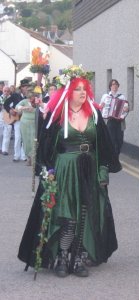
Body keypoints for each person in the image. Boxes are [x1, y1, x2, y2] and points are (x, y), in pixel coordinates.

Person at [18, 65, 122, 278]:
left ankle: (78, 257)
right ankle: (63, 256)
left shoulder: (94, 114)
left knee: (86, 213)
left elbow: (103, 146)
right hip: (65, 171)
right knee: (68, 216)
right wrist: (48, 172)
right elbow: (47, 148)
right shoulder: (57, 116)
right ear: (68, 91)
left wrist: (103, 172)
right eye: (77, 89)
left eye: (85, 89)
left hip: (89, 169)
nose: (82, 93)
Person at [99, 79, 128, 158]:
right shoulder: (106, 96)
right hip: (109, 121)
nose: (114, 86)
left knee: (120, 141)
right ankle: (114, 158)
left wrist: (126, 110)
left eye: (116, 84)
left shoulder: (121, 97)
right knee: (112, 140)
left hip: (119, 121)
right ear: (110, 86)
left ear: (118, 86)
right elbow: (100, 108)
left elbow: (125, 109)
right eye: (112, 84)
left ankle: (116, 155)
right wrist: (102, 106)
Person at [3, 78, 29, 162]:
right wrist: (10, 110)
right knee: (18, 137)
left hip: (26, 119)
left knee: (25, 138)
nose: (26, 88)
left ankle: (23, 155)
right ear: (21, 88)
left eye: (27, 86)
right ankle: (16, 155)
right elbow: (6, 103)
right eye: (24, 86)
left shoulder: (29, 96)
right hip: (17, 119)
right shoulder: (15, 95)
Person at [15, 88, 41, 166]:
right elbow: (17, 107)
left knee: (33, 140)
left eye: (31, 97)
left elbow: (43, 109)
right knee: (26, 140)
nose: (30, 99)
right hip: (24, 123)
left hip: (34, 123)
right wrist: (24, 108)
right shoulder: (24, 101)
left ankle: (34, 158)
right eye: (29, 98)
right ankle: (28, 157)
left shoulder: (37, 102)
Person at [0, 86, 12, 155]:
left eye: (7, 91)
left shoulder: (12, 98)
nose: (6, 92)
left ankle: (5, 150)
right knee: (0, 134)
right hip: (0, 117)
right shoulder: (0, 98)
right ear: (2, 91)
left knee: (7, 134)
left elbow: (13, 107)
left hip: (9, 117)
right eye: (5, 91)